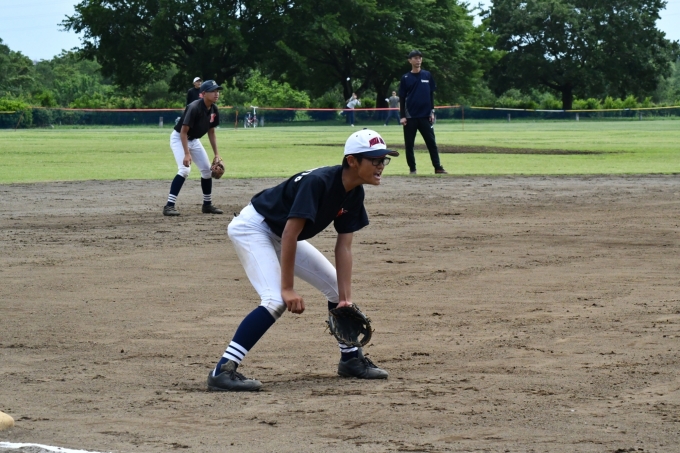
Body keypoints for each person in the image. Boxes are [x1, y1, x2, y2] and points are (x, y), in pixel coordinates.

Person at [207, 129, 397, 391]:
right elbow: (290, 233)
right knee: (275, 300)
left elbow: (344, 247)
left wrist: (346, 298)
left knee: (336, 288)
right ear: (352, 161)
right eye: (374, 159)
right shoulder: (318, 182)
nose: (380, 165)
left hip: (280, 233)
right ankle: (222, 370)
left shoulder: (354, 192)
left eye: (383, 159)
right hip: (254, 228)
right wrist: (287, 288)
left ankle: (351, 359)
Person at [163, 80, 224, 216]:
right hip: (180, 138)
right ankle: (169, 206)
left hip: (194, 140)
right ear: (203, 93)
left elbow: (211, 132)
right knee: (184, 170)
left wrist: (217, 154)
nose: (216, 94)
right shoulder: (194, 107)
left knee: (207, 171)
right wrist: (186, 153)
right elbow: (183, 132)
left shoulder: (214, 109)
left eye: (217, 91)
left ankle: (207, 205)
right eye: (213, 91)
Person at [399, 50, 448, 175]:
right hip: (410, 117)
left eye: (420, 58)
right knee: (409, 145)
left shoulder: (427, 75)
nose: (418, 60)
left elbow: (431, 95)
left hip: (425, 116)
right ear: (410, 60)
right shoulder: (405, 78)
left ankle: (437, 167)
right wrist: (402, 116)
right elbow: (402, 98)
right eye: (415, 58)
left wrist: (432, 111)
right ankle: (412, 169)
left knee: (431, 143)